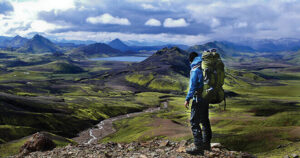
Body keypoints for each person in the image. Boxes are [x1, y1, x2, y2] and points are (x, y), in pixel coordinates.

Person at [184, 52, 212, 155]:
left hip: (198, 99)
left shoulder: (195, 69)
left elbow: (192, 86)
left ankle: (198, 147)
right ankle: (206, 144)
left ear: (190, 59)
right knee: (205, 121)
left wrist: (187, 99)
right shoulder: (204, 66)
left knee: (194, 121)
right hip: (206, 97)